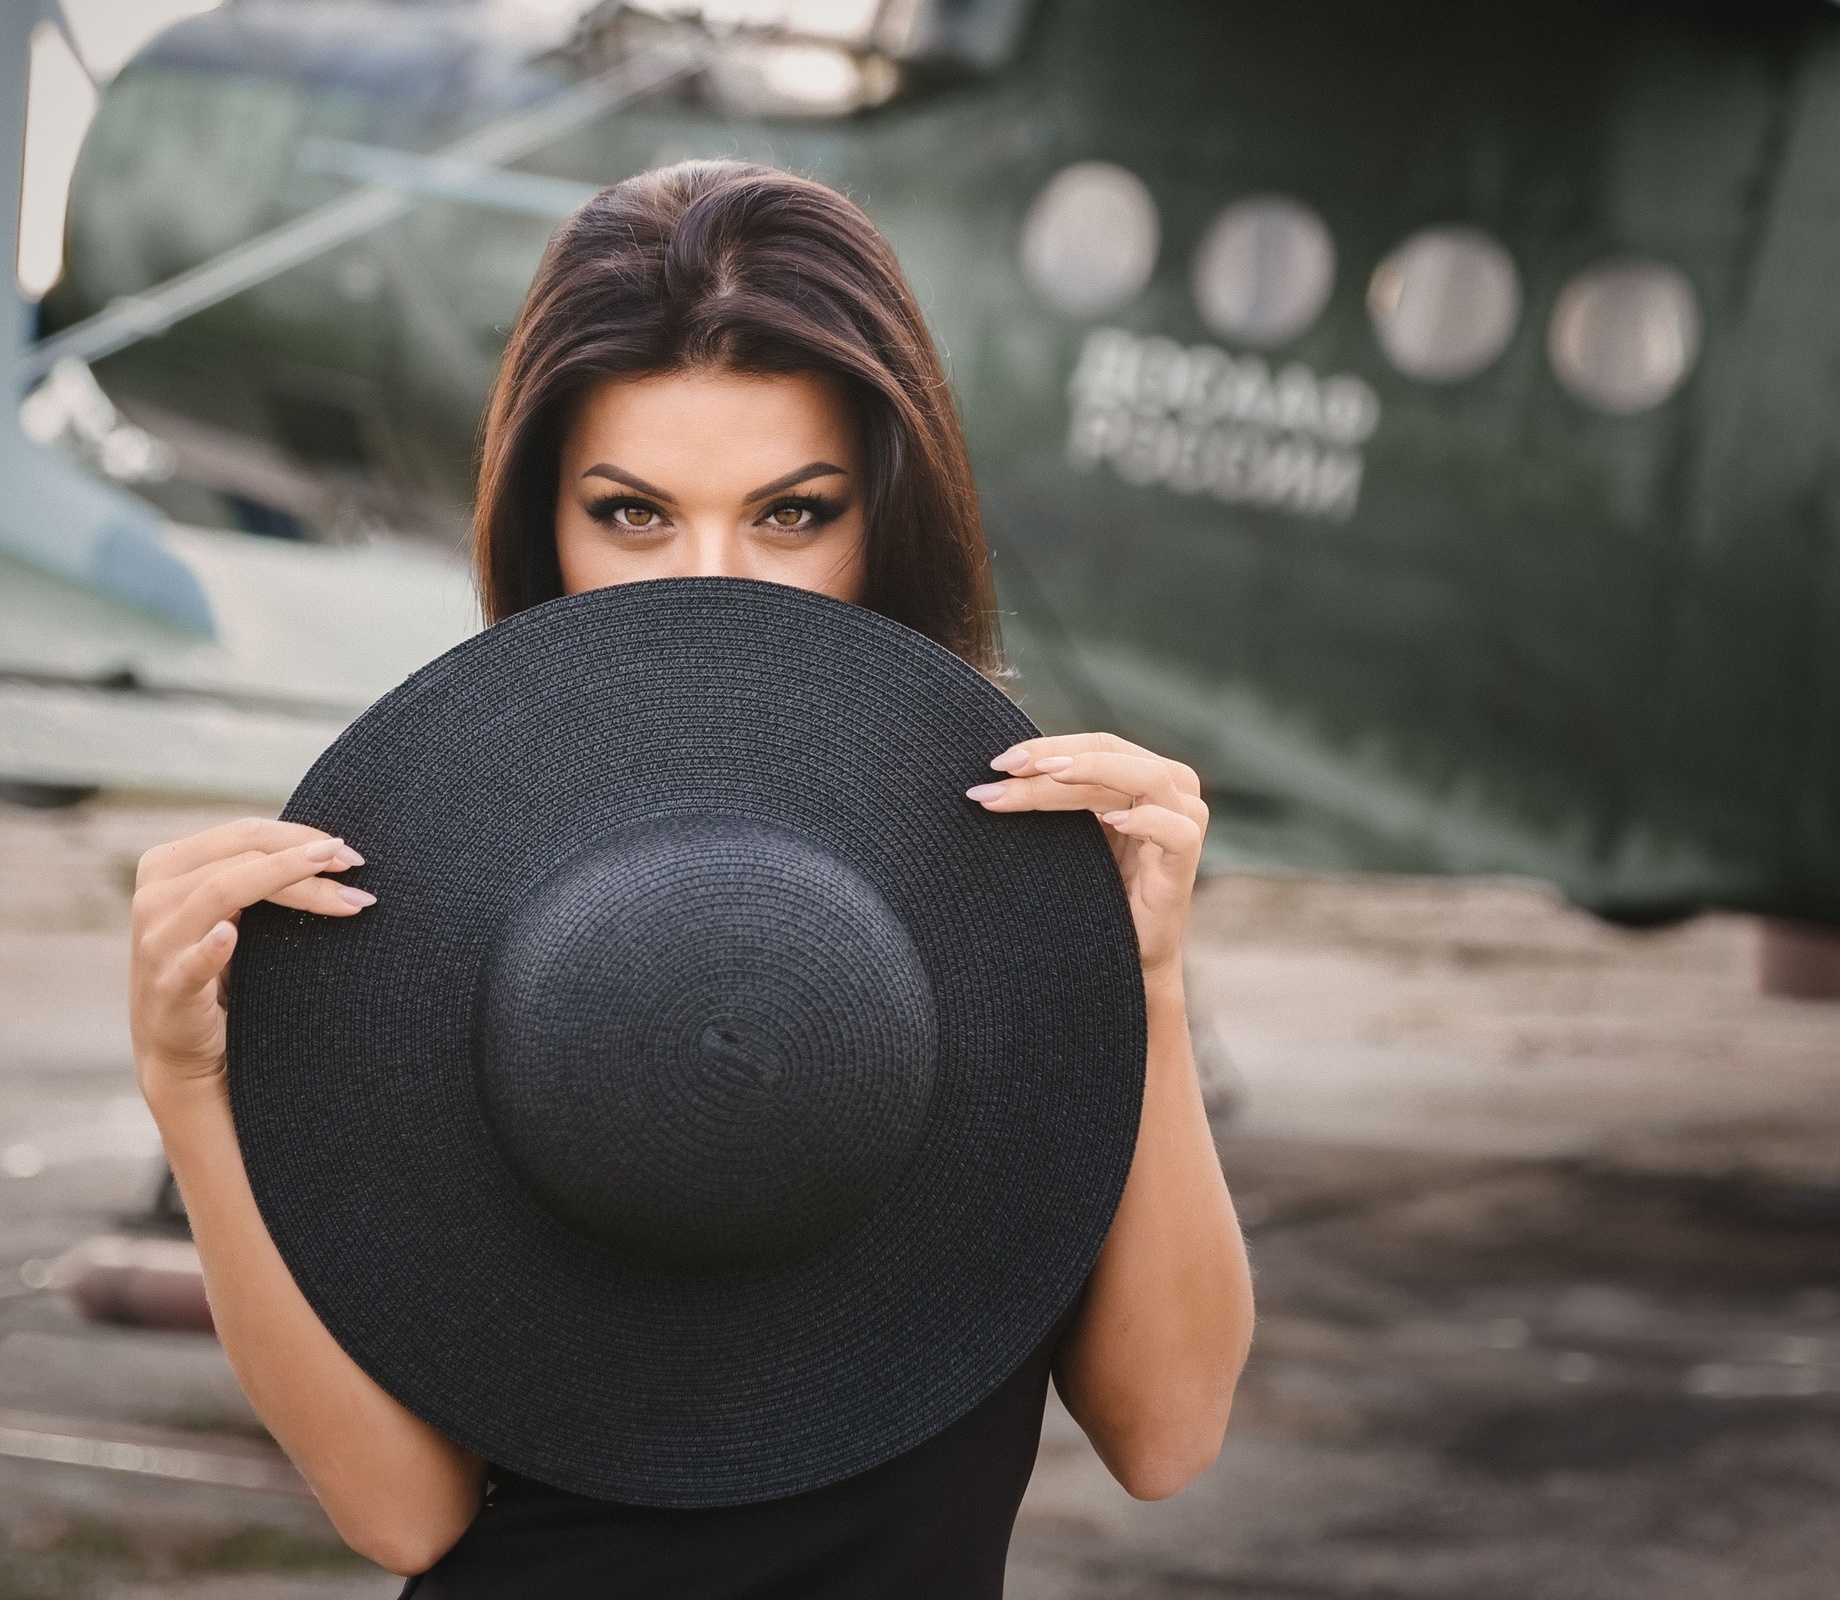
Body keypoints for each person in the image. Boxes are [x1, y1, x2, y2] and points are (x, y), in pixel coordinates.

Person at [127, 161, 1256, 1594]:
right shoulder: (413, 879)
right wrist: (187, 1088)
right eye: (633, 513)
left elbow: (1164, 1434)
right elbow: (404, 1516)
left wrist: (1143, 973)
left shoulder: (1012, 854)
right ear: (543, 519)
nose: (709, 581)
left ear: (888, 511)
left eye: (791, 514)